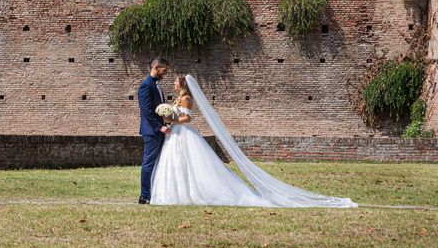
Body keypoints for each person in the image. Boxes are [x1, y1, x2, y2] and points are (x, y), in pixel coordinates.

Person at [149, 74, 358, 208]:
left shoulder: (186, 98)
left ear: (182, 84)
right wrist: (169, 118)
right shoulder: (178, 98)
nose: (173, 84)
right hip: (175, 135)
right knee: (176, 164)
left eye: (175, 81)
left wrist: (172, 118)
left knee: (193, 165)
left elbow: (188, 118)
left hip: (183, 133)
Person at [137, 57, 171, 204]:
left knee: (159, 162)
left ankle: (156, 193)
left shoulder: (157, 85)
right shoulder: (146, 86)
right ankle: (144, 196)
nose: (166, 73)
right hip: (152, 132)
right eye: (164, 70)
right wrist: (159, 127)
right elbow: (146, 111)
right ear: (156, 67)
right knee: (149, 163)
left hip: (160, 130)